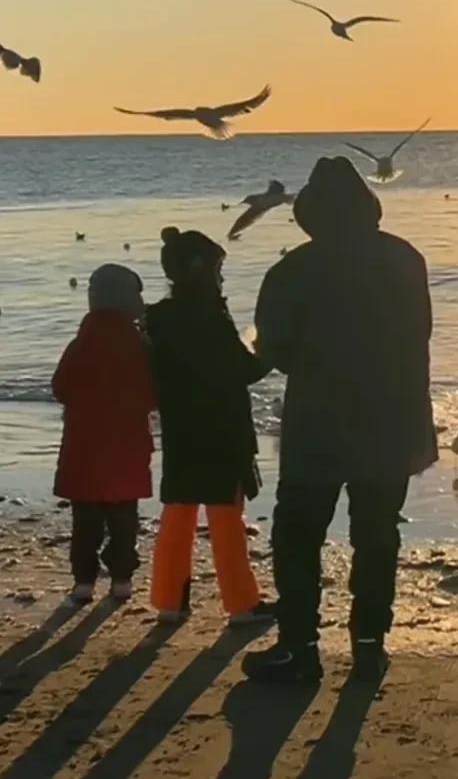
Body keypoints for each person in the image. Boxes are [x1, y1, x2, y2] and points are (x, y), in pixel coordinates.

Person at [245, 155, 437, 687]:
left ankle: (300, 648)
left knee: (298, 535)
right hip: (393, 420)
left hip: (320, 424)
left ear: (310, 215)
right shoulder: (406, 258)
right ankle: (370, 647)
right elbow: (421, 333)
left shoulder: (292, 270)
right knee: (377, 535)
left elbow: (275, 349)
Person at [146, 227, 275, 628]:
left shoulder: (158, 318)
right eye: (218, 270)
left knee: (178, 513)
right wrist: (268, 349)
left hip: (181, 430)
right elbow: (243, 370)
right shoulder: (209, 317)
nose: (221, 279)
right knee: (225, 516)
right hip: (222, 431)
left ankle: (169, 600)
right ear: (199, 271)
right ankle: (241, 603)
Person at [52, 264, 155, 605]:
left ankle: (83, 583)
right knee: (125, 518)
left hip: (84, 449)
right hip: (127, 448)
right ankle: (122, 580)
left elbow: (60, 387)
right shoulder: (139, 345)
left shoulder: (81, 343)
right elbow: (153, 392)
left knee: (85, 521)